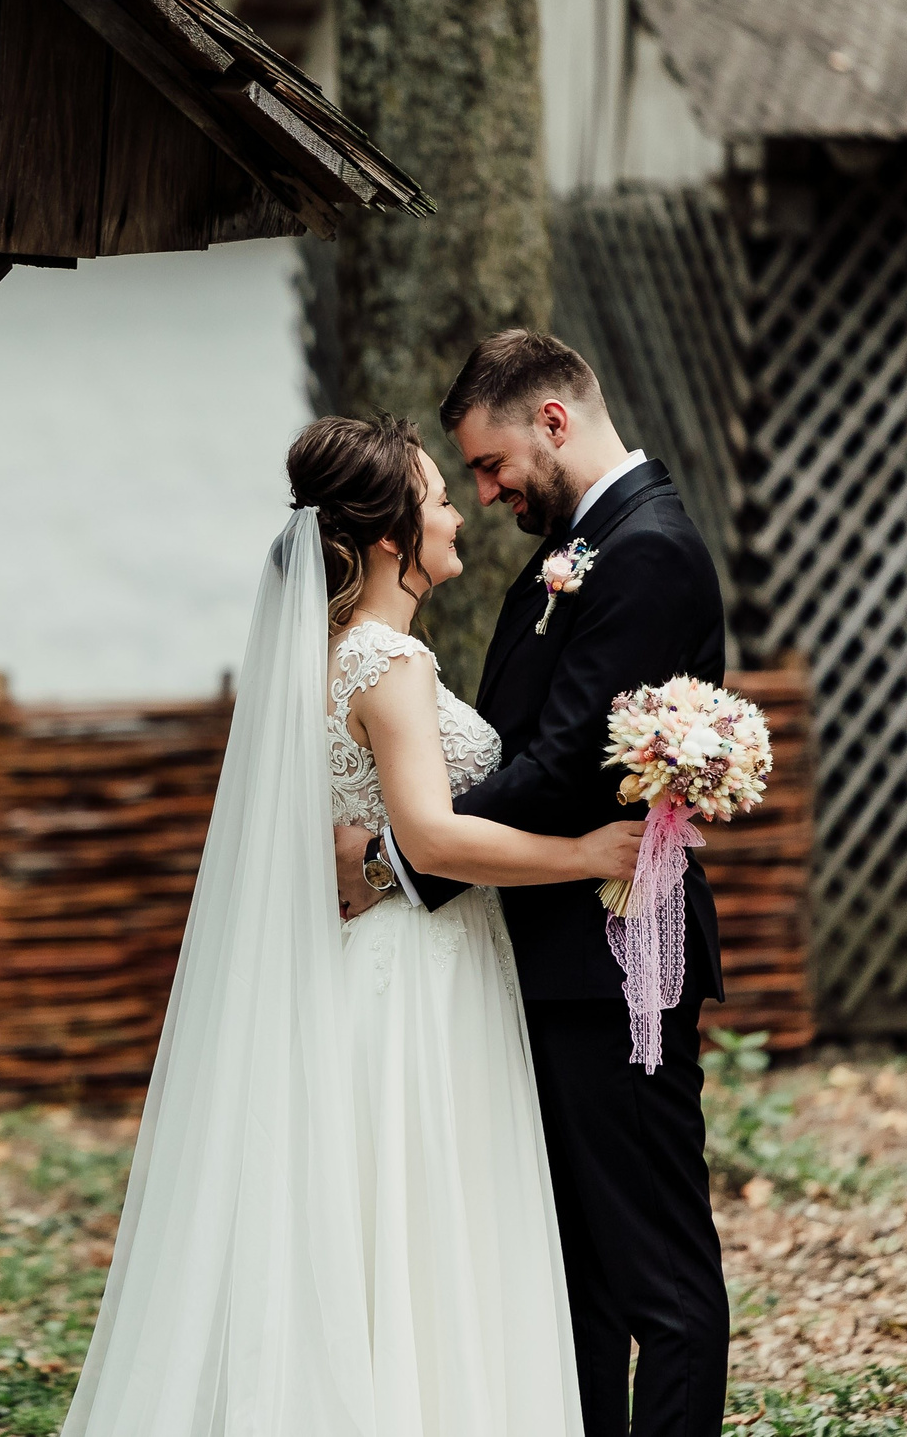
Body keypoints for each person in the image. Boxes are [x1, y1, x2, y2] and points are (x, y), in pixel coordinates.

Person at [60, 408, 642, 1437]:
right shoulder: (393, 666)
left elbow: (374, 838)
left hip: (367, 963)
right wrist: (582, 857)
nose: (457, 515)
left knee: (364, 1218)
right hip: (417, 973)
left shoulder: (325, 657)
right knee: (418, 1214)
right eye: (437, 498)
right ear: (389, 537)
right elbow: (432, 838)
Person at [344, 330, 732, 1437]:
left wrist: (399, 857)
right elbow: (525, 745)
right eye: (468, 477)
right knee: (577, 1278)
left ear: (551, 423)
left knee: (656, 1275)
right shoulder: (577, 547)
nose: (484, 490)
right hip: (547, 957)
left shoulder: (646, 550)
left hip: (614, 964)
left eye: (489, 463)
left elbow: (563, 768)